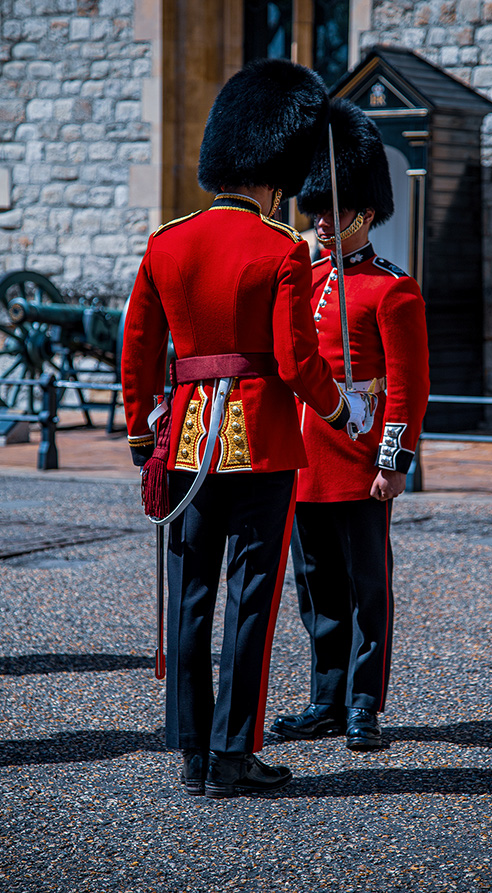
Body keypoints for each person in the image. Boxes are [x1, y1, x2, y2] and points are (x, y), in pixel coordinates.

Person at [121, 59, 369, 798]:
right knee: (250, 598)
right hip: (260, 439)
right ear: (274, 173)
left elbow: (137, 346)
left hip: (187, 438)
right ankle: (234, 752)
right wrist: (340, 411)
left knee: (192, 594)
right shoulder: (280, 247)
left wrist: (143, 436)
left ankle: (193, 753)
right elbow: (296, 359)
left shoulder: (167, 241)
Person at [271, 98, 430, 751]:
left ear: (365, 214)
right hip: (302, 455)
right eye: (317, 212)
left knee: (368, 587)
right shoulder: (304, 280)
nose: (321, 222)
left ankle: (364, 701)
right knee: (317, 591)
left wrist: (393, 461)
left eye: (333, 212)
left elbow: (410, 385)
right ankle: (325, 697)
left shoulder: (391, 290)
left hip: (359, 455)